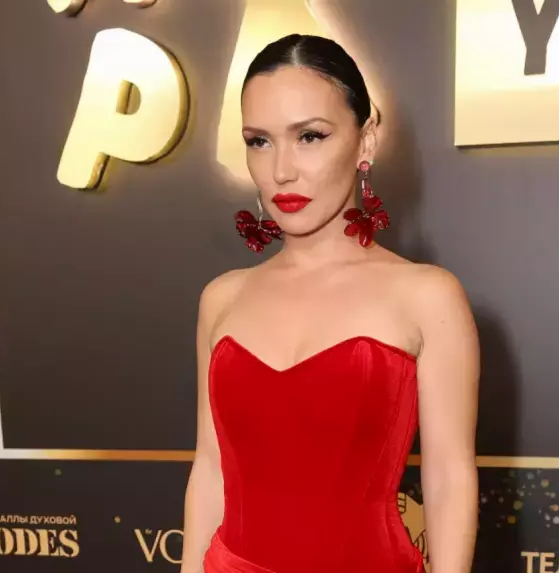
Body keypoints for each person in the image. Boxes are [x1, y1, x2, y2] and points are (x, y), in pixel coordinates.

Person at [180, 33, 480, 573]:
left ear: (366, 140)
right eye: (259, 141)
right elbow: (210, 469)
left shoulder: (427, 296)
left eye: (310, 136)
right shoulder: (221, 298)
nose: (282, 170)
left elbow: (448, 480)